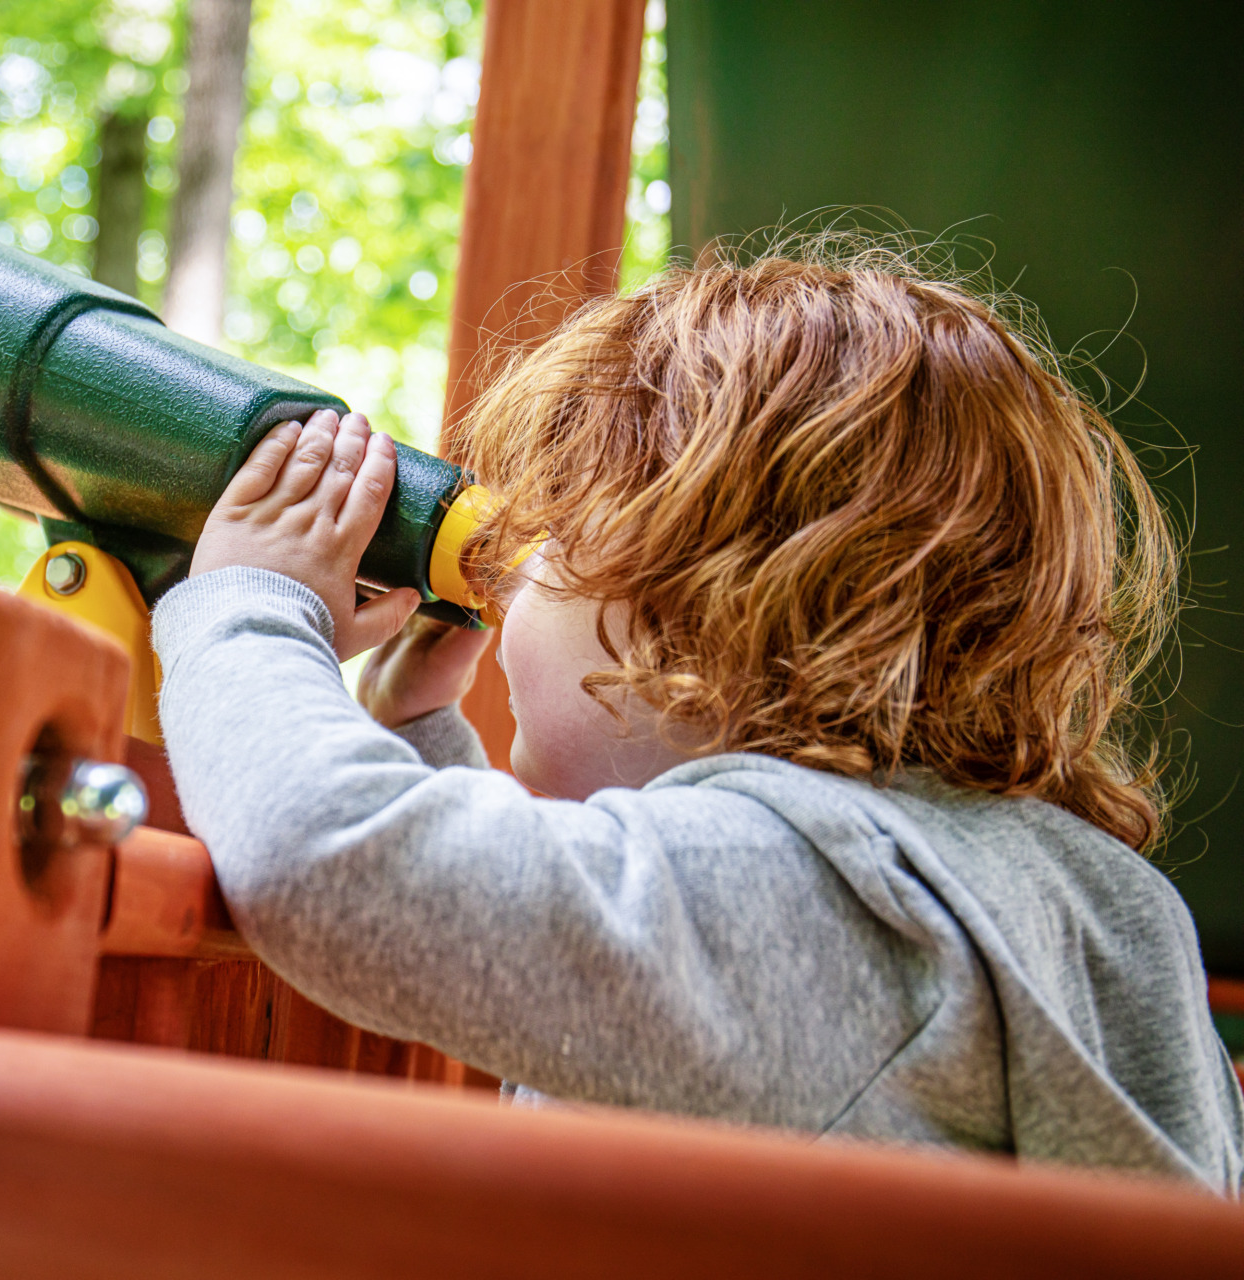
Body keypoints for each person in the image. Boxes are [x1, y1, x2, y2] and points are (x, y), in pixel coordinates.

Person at [148, 243, 1244, 1192]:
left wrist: (250, 604)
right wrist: (415, 733)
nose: (509, 591)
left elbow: (329, 861)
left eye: (552, 548)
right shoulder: (1075, 900)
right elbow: (579, 930)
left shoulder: (815, 892)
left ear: (699, 597)